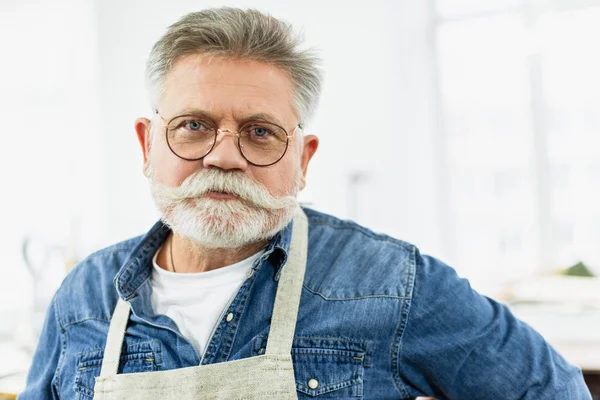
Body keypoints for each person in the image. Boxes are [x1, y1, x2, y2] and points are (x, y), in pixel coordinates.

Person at [19, 7, 591, 400]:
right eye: (193, 126)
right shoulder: (84, 299)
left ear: (304, 158)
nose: (224, 157)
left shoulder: (390, 282)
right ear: (147, 144)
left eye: (261, 132)